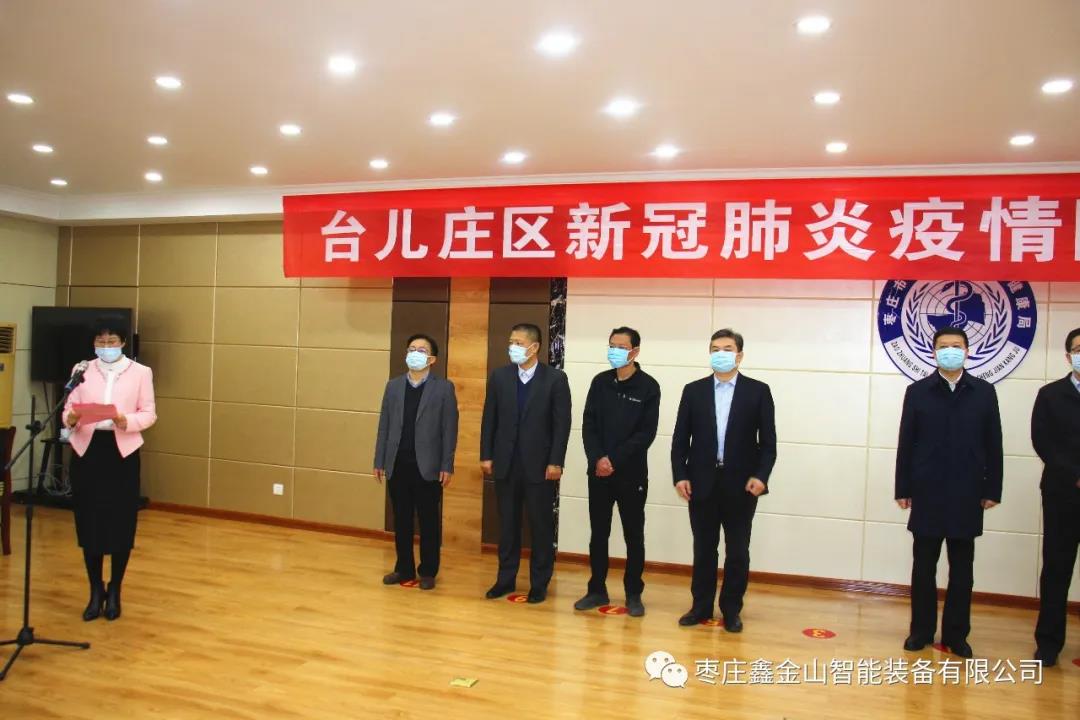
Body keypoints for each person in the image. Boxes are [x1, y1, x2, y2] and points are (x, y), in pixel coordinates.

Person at [895, 327, 1003, 659]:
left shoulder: (984, 392)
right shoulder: (917, 391)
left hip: (967, 492)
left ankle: (957, 634)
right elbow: (906, 443)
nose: (950, 351)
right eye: (944, 346)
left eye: (956, 346)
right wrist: (903, 487)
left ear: (967, 351)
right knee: (923, 567)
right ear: (933, 352)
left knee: (962, 569)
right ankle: (921, 631)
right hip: (926, 490)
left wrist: (992, 488)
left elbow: (994, 444)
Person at [671, 329, 776, 632]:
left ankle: (731, 610)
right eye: (715, 349)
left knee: (737, 551)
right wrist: (680, 475)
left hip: (742, 485)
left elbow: (769, 444)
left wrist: (761, 476)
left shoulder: (758, 391)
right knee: (704, 549)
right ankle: (701, 607)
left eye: (727, 349)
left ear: (739, 355)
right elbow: (680, 441)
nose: (720, 354)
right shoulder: (693, 391)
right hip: (701, 482)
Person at [63, 317, 157, 621]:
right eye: (100, 342)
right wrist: (71, 418)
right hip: (88, 451)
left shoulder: (140, 372)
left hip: (121, 453)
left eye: (112, 341)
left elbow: (149, 414)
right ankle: (95, 590)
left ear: (123, 343)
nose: (106, 346)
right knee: (89, 520)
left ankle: (115, 589)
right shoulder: (81, 370)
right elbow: (68, 408)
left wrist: (124, 420)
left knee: (120, 522)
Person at [480, 323, 571, 604]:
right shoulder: (500, 377)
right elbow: (489, 418)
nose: (513, 347)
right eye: (511, 342)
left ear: (534, 347)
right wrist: (486, 455)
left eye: (518, 343)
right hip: (506, 463)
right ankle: (505, 579)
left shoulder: (555, 379)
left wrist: (556, 461)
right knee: (507, 526)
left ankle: (539, 583)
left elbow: (562, 424)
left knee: (540, 526)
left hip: (540, 466)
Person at [574, 326, 660, 617]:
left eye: (621, 347)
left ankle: (633, 593)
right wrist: (597, 458)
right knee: (599, 533)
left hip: (631, 474)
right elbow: (588, 424)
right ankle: (596, 589)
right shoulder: (600, 382)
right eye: (612, 345)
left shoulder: (648, 387)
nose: (615, 351)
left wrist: (614, 459)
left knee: (633, 535)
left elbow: (646, 433)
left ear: (635, 351)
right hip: (599, 473)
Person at [373, 334, 458, 590]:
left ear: (431, 359)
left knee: (428, 520)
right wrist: (379, 460)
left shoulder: (444, 388)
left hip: (428, 466)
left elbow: (449, 429)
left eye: (421, 350)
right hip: (397, 463)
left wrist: (447, 464)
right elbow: (384, 426)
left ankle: (428, 571)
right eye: (411, 349)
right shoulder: (393, 386)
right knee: (401, 520)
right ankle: (404, 568)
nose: (415, 353)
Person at [1030, 327, 1080, 667]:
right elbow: (1042, 441)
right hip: (1062, 493)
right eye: (1078, 349)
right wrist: (1074, 473)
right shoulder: (1050, 395)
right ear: (1068, 356)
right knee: (1056, 569)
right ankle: (1048, 643)